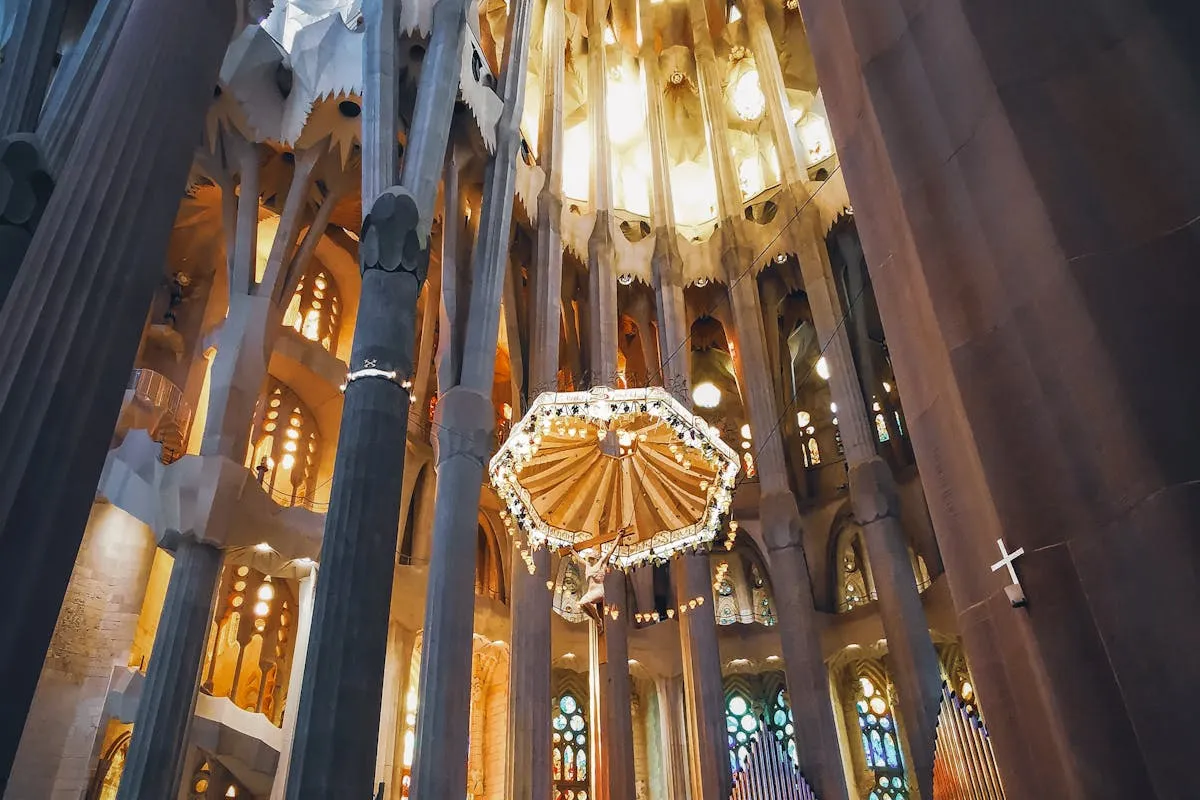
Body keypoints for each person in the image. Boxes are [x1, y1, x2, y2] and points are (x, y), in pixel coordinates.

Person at [574, 528, 632, 625]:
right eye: (589, 558)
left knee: (585, 602)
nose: (590, 560)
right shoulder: (588, 565)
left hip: (599, 590)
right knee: (582, 604)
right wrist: (572, 551)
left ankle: (598, 620)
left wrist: (618, 536)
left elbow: (610, 551)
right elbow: (579, 559)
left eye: (592, 558)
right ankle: (597, 620)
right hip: (590, 591)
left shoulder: (602, 563)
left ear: (596, 558)